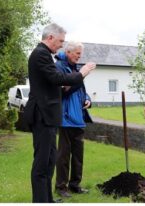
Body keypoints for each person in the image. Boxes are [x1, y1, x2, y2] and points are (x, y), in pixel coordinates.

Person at [24, 23, 96, 203]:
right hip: (42, 115)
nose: (61, 45)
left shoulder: (45, 55)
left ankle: (47, 198)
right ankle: (40, 201)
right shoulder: (40, 54)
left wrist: (69, 85)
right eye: (60, 41)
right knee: (41, 163)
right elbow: (56, 78)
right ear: (50, 38)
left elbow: (53, 83)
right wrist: (82, 73)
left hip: (48, 116)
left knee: (49, 162)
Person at [53, 41, 93, 198]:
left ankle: (75, 185)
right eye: (77, 53)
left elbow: (82, 90)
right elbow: (63, 91)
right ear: (68, 52)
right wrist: (82, 75)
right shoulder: (59, 67)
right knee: (63, 156)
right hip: (65, 118)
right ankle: (61, 187)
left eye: (80, 53)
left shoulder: (76, 69)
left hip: (79, 119)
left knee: (78, 156)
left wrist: (88, 99)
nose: (79, 56)